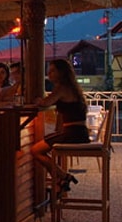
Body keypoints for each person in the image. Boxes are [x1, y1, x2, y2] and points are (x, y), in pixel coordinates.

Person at [31, 59, 88, 191]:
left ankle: (62, 176)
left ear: (61, 72)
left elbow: (45, 103)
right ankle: (60, 180)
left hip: (72, 133)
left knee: (35, 150)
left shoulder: (61, 88)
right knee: (44, 145)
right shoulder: (71, 87)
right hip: (79, 132)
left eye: (52, 71)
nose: (49, 74)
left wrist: (38, 100)